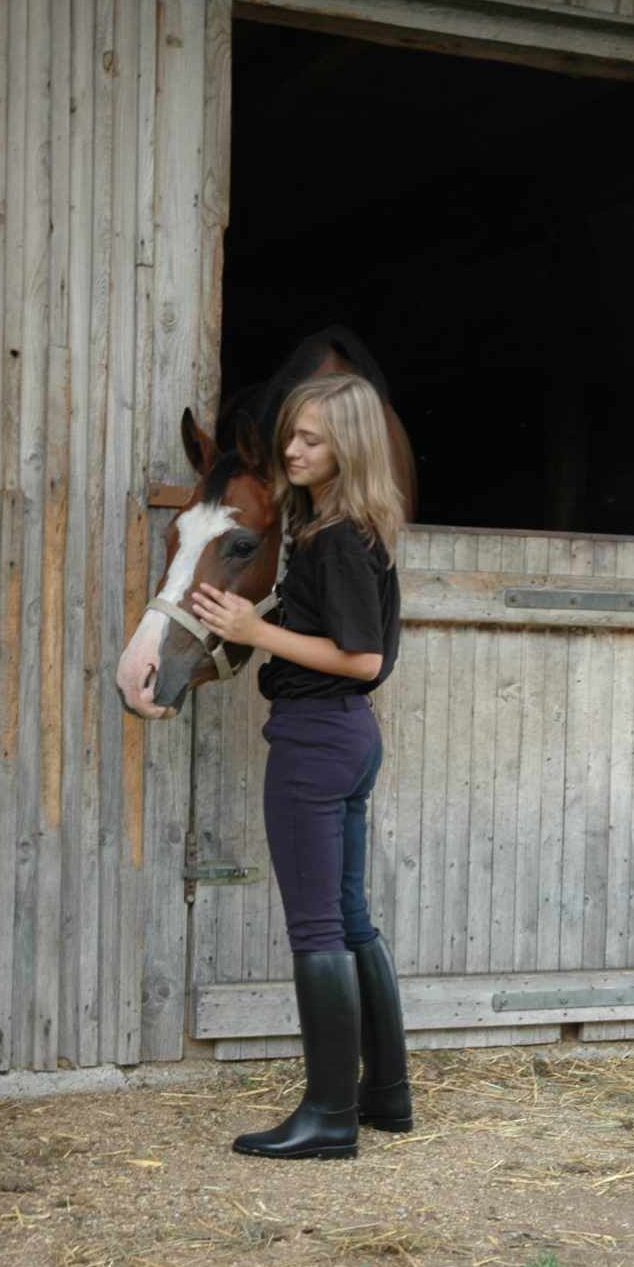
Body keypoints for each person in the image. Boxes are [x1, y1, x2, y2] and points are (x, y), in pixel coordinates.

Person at [190, 372, 413, 1159]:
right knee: (351, 920)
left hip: (319, 738)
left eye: (311, 438)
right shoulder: (344, 532)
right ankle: (384, 1096)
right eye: (291, 434)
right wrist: (229, 646)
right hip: (343, 739)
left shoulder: (339, 538)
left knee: (318, 927)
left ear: (347, 447)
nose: (292, 449)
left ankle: (327, 1116)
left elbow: (361, 657)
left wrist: (257, 625)